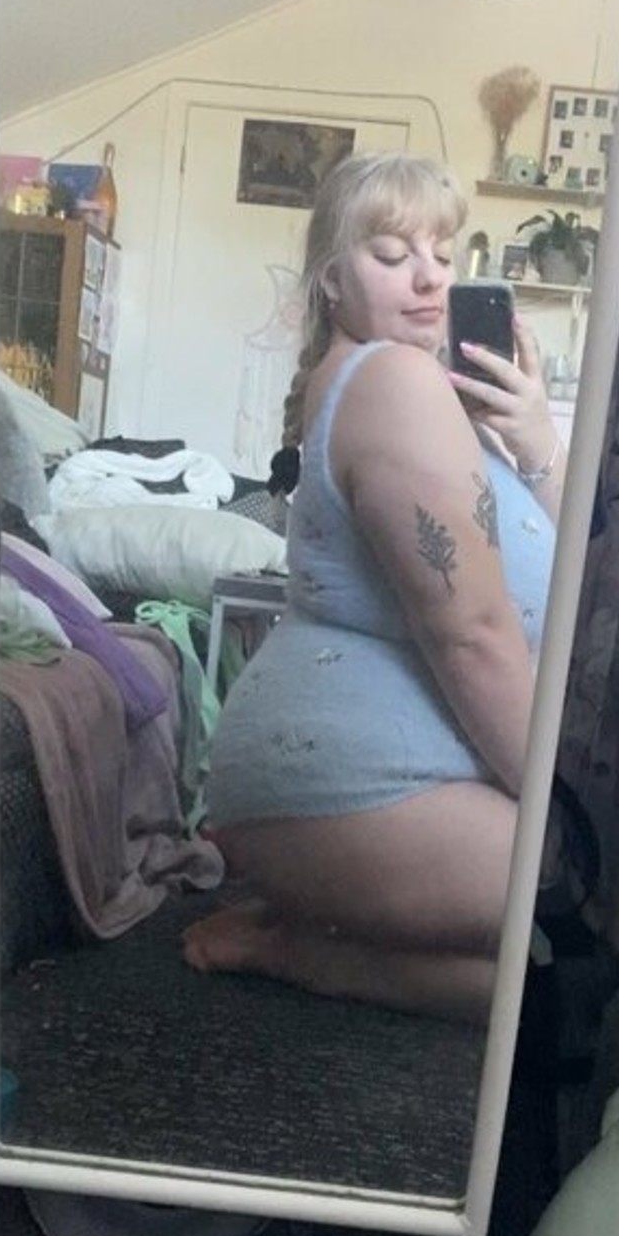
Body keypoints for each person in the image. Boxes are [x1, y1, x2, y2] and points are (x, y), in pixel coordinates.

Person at [184, 150, 567, 1022]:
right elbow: (472, 635)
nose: (429, 276)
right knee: (575, 923)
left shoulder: (434, 394)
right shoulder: (393, 381)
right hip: (347, 786)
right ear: (331, 280)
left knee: (552, 965)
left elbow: (580, 570)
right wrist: (560, 809)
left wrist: (536, 439)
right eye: (392, 254)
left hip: (358, 784)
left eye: (443, 251)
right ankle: (301, 949)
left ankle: (319, 925)